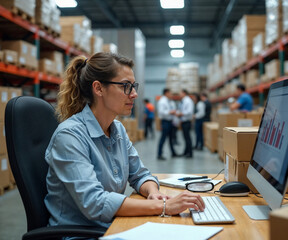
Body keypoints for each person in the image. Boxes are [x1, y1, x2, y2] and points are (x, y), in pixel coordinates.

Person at [44, 52, 205, 230]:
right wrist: (165, 206)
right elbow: (94, 203)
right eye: (126, 86)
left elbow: (140, 175)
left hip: (111, 225)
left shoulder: (117, 129)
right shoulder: (70, 136)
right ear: (98, 89)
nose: (134, 94)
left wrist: (154, 193)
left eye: (134, 86)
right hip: (80, 233)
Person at [157, 88, 179, 160]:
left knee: (171, 138)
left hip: (170, 122)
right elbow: (161, 112)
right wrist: (170, 112)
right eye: (170, 93)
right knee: (163, 138)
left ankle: (173, 153)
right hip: (165, 122)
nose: (171, 95)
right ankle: (159, 154)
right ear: (166, 93)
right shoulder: (162, 101)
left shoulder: (169, 101)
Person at [178, 89, 194, 158]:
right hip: (184, 122)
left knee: (187, 138)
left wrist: (181, 114)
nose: (179, 95)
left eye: (180, 93)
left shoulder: (188, 101)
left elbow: (189, 111)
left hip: (187, 122)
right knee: (185, 138)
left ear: (184, 93)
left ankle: (190, 153)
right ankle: (186, 152)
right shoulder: (184, 101)